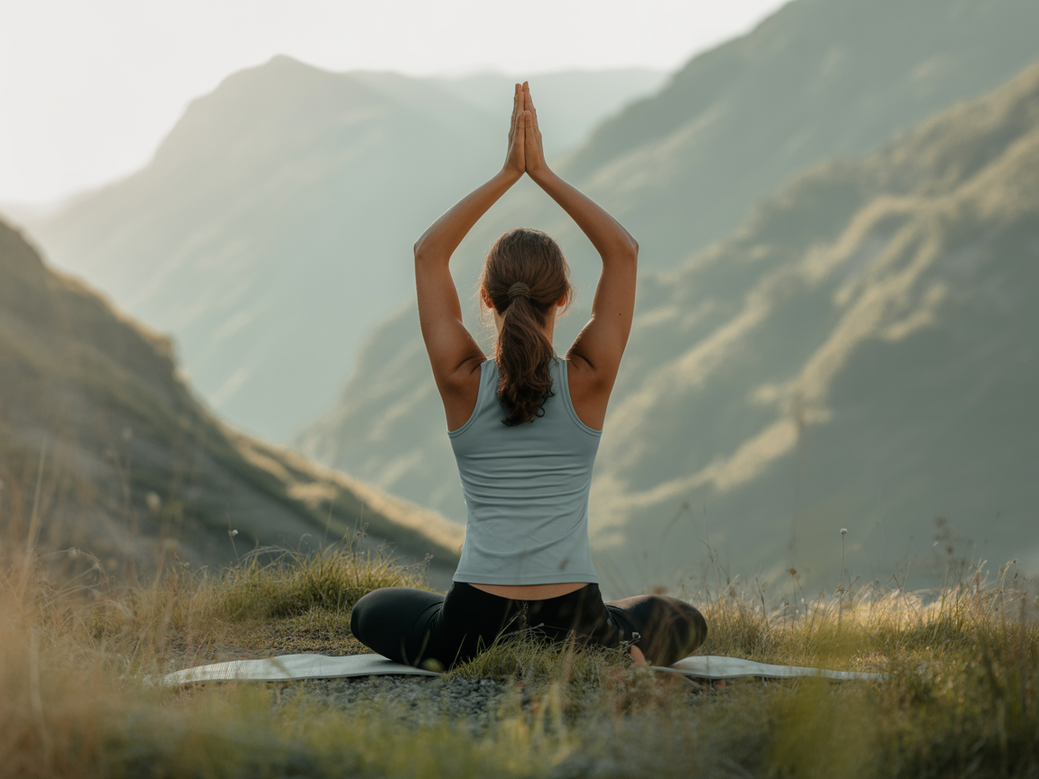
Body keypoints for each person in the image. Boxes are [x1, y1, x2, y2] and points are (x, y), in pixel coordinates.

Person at [351, 82, 706, 670]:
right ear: (564, 298)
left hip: (472, 625)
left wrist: (506, 174)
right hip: (576, 620)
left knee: (372, 610)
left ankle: (584, 637)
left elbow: (427, 255)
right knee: (684, 620)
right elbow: (623, 252)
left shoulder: (463, 381)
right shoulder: (587, 380)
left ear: (486, 300)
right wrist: (541, 172)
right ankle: (618, 646)